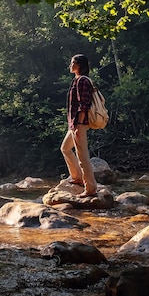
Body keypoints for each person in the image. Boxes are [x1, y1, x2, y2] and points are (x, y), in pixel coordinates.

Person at [60, 54, 97, 197]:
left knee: (83, 156)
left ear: (79, 65)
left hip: (79, 123)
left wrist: (79, 125)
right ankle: (77, 178)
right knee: (65, 148)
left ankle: (91, 188)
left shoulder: (82, 81)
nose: (70, 65)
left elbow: (84, 105)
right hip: (74, 123)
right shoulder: (77, 80)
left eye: (72, 63)